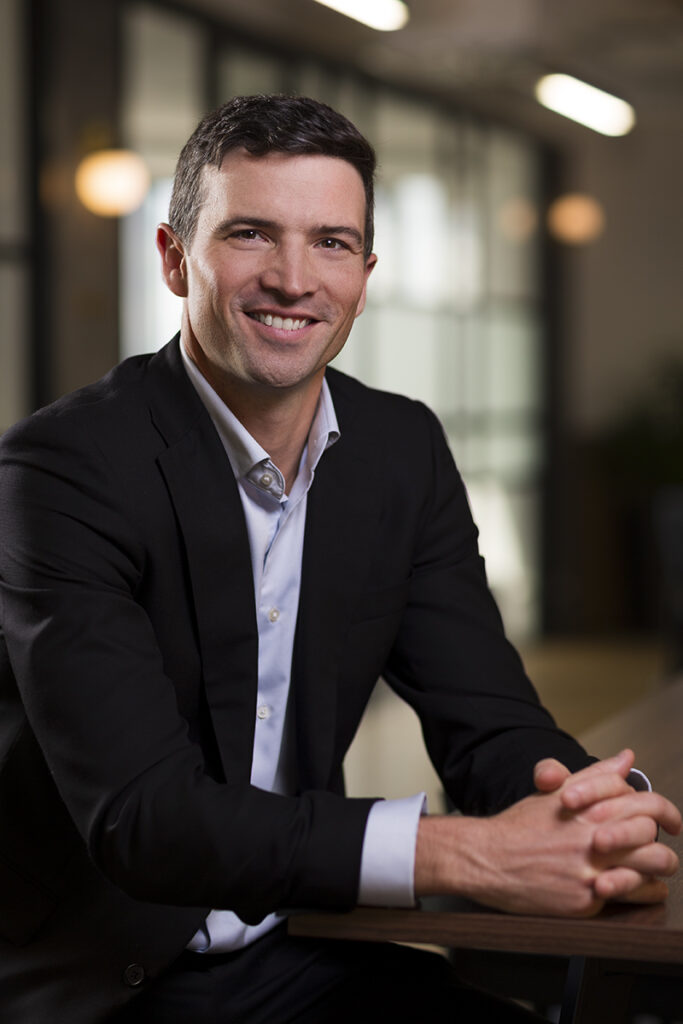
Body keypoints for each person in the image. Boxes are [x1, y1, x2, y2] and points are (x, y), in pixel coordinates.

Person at [0, 94, 678, 1024]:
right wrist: (468, 855)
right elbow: (146, 821)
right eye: (249, 234)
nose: (292, 278)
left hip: (300, 945)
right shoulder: (64, 470)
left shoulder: (399, 450)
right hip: (99, 981)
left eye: (329, 242)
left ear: (364, 271)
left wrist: (585, 814)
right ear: (172, 258)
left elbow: (487, 721)